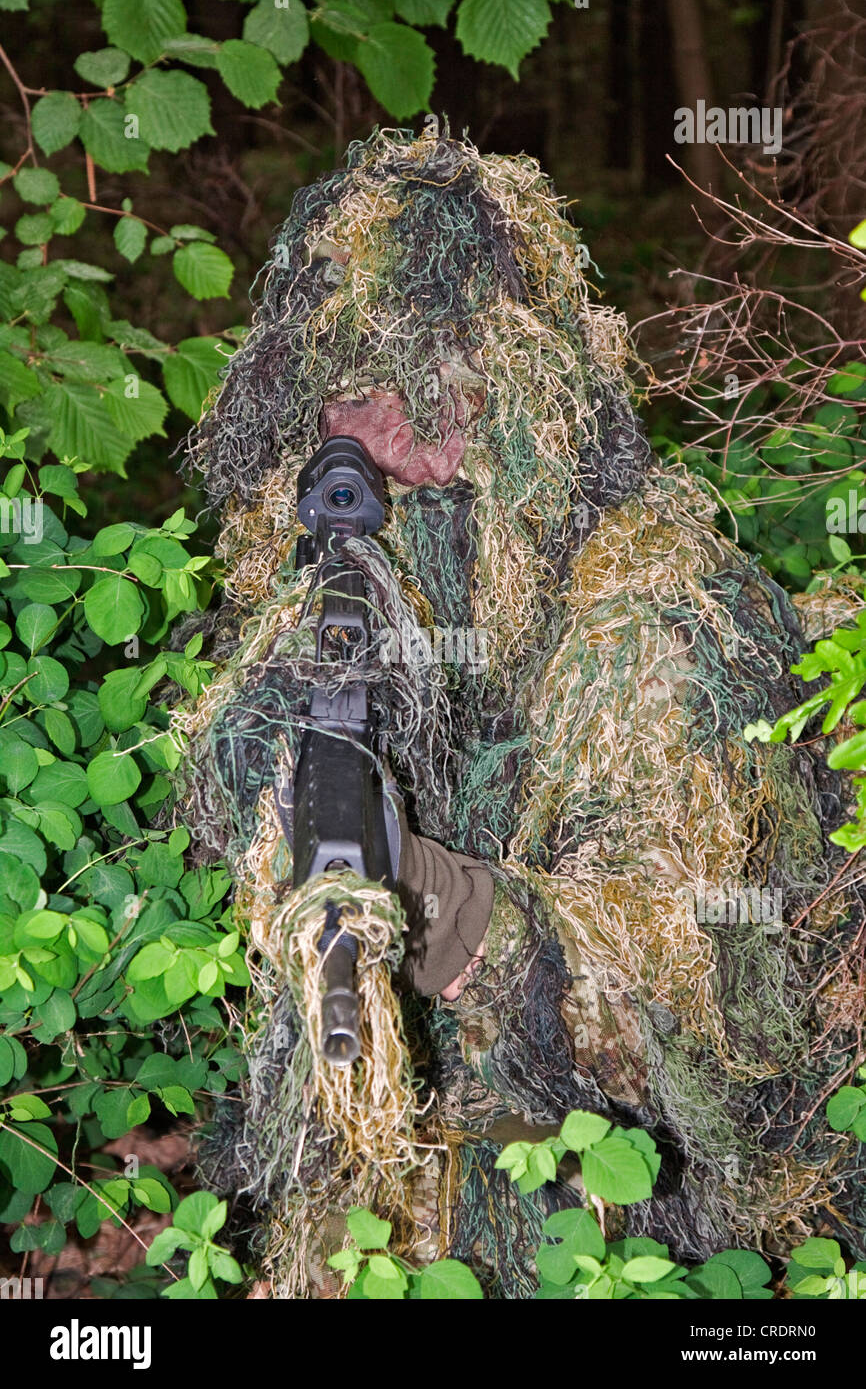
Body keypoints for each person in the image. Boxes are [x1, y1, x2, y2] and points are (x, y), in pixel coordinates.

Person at [183, 127, 866, 1297]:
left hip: (630, 1214)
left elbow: (671, 1014)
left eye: (429, 386)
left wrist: (440, 906)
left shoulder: (651, 612)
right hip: (403, 1185)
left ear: (522, 394)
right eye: (351, 395)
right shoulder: (357, 584)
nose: (385, 440)